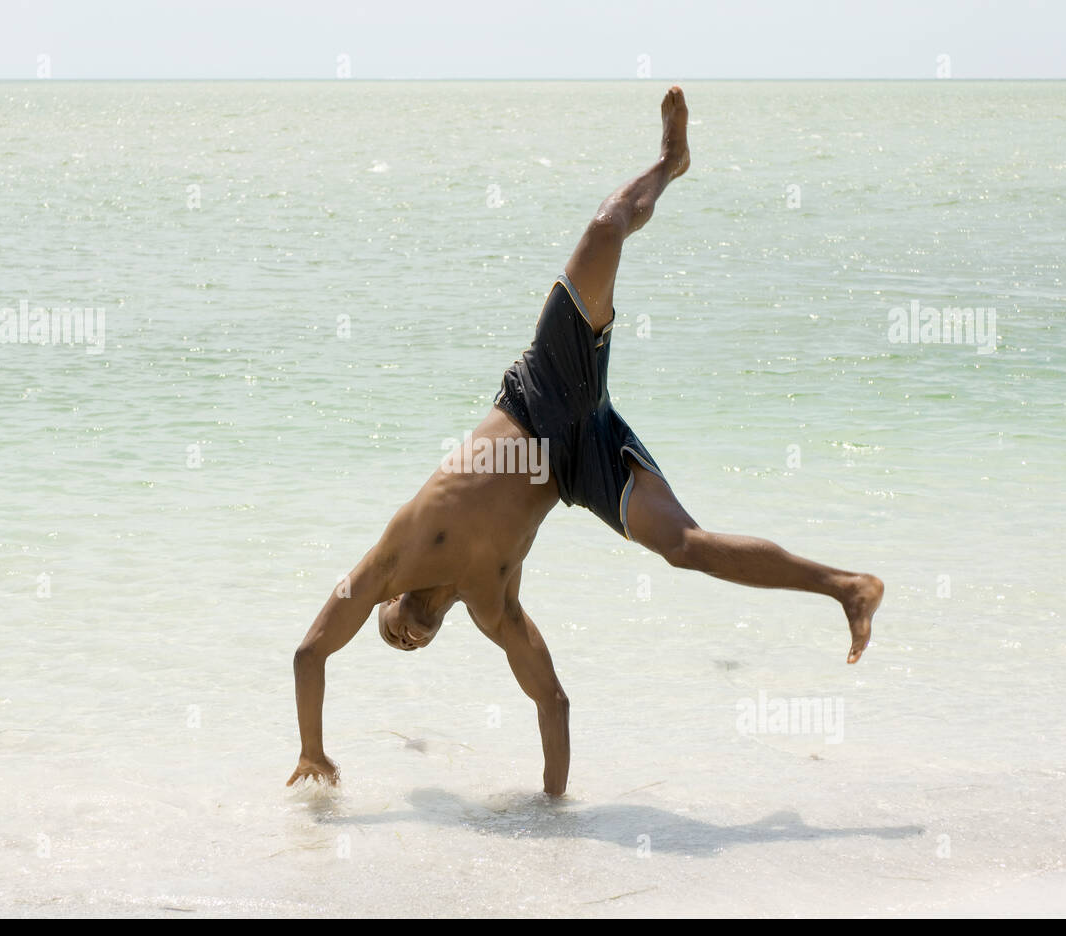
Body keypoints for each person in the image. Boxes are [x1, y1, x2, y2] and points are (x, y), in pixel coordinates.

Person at [288, 86, 883, 797]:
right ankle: (846, 586)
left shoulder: (391, 558)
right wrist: (553, 816)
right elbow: (554, 702)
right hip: (580, 461)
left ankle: (670, 161)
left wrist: (312, 748)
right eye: (409, 645)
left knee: (607, 227)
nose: (403, 638)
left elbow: (310, 650)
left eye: (389, 632)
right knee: (684, 545)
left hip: (538, 392)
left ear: (387, 602)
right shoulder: (493, 607)